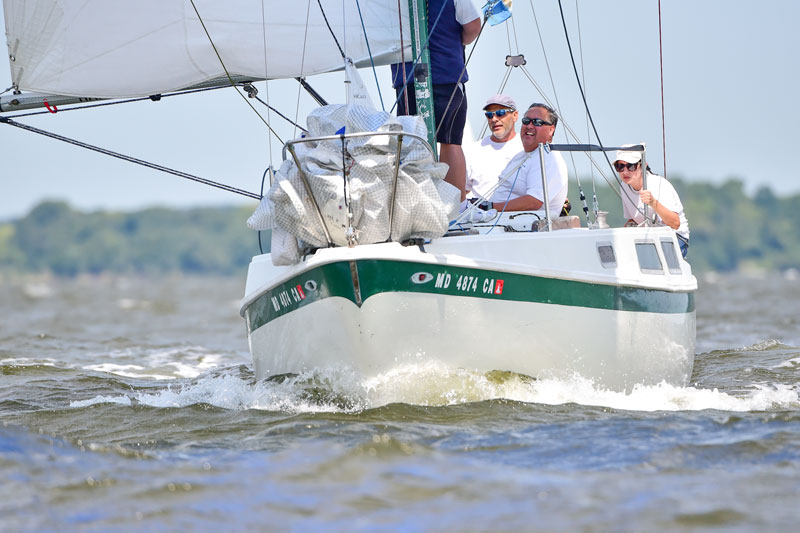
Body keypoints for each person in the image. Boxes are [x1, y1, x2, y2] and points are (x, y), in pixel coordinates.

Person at [391, 0, 481, 201]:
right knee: (450, 142)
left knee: (413, 143)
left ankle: (419, 207)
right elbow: (473, 26)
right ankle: (455, 208)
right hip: (446, 73)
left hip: (407, 77)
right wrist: (458, 42)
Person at [488, 103, 568, 214]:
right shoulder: (522, 155)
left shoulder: (548, 157)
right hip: (498, 223)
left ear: (551, 130)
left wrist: (489, 207)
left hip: (520, 227)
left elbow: (534, 202)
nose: (529, 126)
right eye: (526, 121)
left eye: (537, 122)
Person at [615, 146, 690, 257]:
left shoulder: (659, 184)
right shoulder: (624, 186)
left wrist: (653, 203)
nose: (625, 171)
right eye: (620, 166)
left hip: (675, 237)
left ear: (642, 167)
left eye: (631, 166)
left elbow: (675, 223)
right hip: (648, 238)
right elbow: (633, 220)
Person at [465, 94, 523, 199]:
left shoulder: (527, 148)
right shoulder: (473, 150)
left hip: (519, 213)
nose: (494, 119)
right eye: (489, 115)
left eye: (500, 113)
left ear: (515, 115)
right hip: (480, 213)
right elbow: (461, 191)